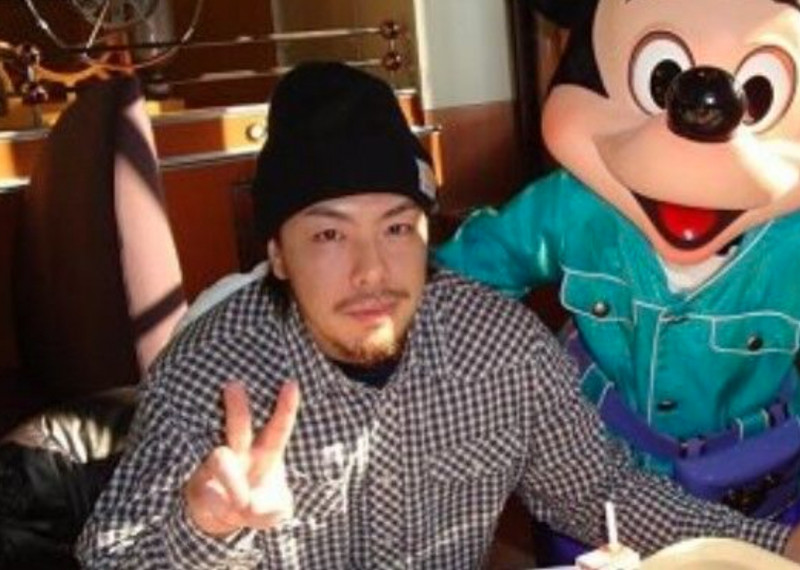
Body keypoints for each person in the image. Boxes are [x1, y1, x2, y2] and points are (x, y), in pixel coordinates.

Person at [76, 61, 800, 569]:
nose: (371, 270)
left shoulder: (498, 346)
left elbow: (600, 491)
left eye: (397, 228)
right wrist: (204, 525)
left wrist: (778, 547)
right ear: (278, 254)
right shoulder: (210, 372)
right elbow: (111, 557)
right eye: (328, 235)